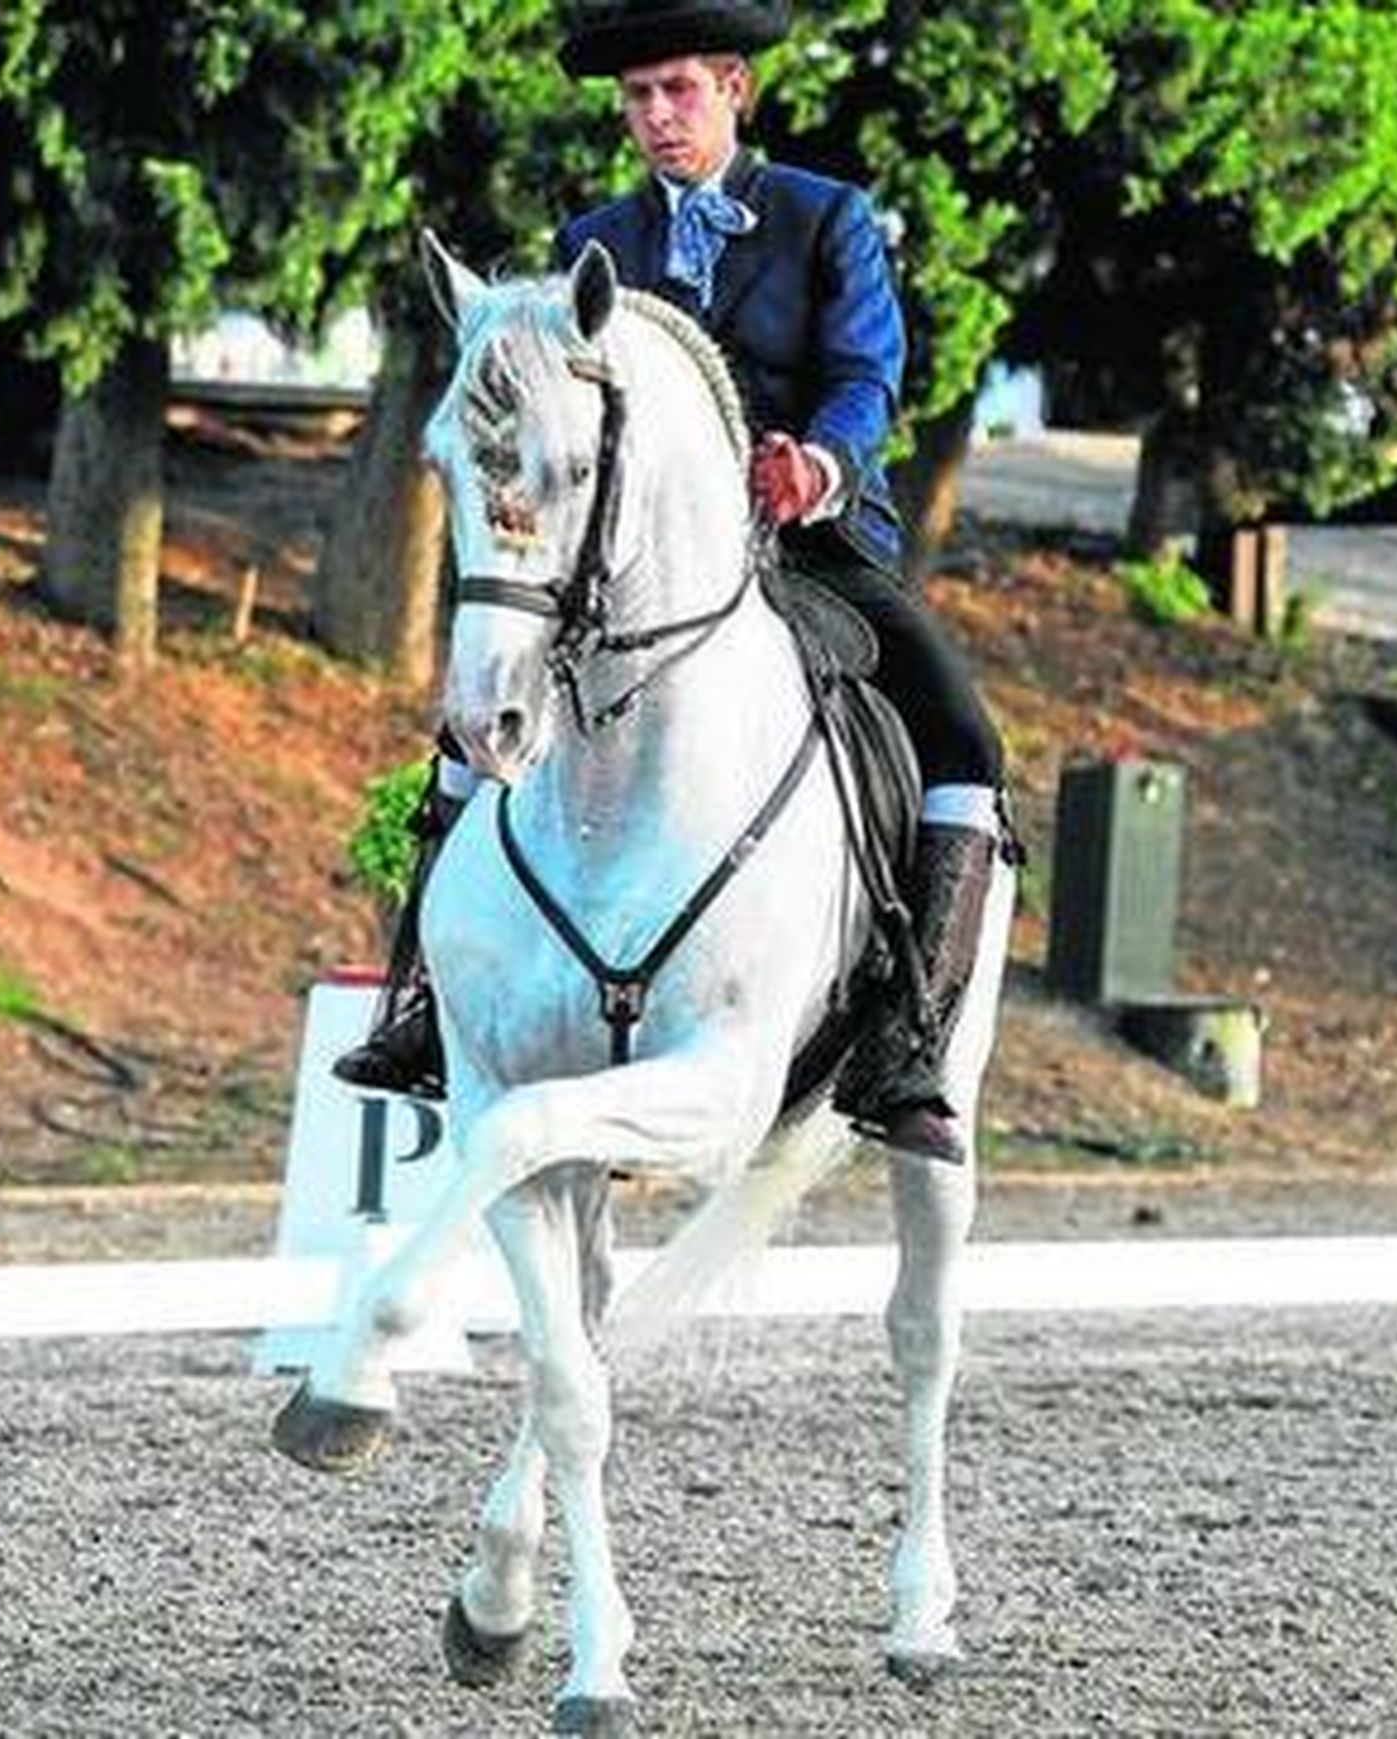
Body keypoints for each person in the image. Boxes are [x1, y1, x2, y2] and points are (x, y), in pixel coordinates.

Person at [336, 0, 1010, 1165]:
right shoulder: (593, 240)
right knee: (469, 730)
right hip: (633, 570)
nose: (657, 115)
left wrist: (820, 461)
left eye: (679, 90)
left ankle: (909, 1036)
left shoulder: (827, 217)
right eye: (637, 97)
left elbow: (867, 376)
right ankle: (427, 1007)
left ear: (734, 88)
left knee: (962, 741)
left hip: (810, 545)